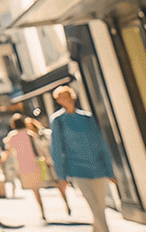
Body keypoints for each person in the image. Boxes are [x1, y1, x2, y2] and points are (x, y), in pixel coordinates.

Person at [50, 86, 117, 232]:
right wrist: (61, 176)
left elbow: (101, 143)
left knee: (100, 207)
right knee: (95, 208)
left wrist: (110, 171)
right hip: (77, 169)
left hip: (98, 168)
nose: (66, 99)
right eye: (62, 97)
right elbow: (56, 149)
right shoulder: (58, 120)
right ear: (58, 101)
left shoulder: (87, 117)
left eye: (68, 95)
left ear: (73, 96)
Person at [5, 114, 50, 220]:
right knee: (39, 187)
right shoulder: (30, 134)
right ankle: (43, 209)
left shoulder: (13, 136)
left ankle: (41, 210)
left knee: (35, 189)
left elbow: (9, 150)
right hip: (36, 163)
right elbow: (39, 148)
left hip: (24, 165)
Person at [26, 115, 72, 215]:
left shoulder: (47, 133)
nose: (29, 129)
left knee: (61, 184)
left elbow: (55, 145)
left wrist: (53, 159)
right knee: (56, 184)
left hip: (55, 161)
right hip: (46, 164)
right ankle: (63, 206)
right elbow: (38, 152)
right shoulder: (33, 139)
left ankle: (67, 204)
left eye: (30, 126)